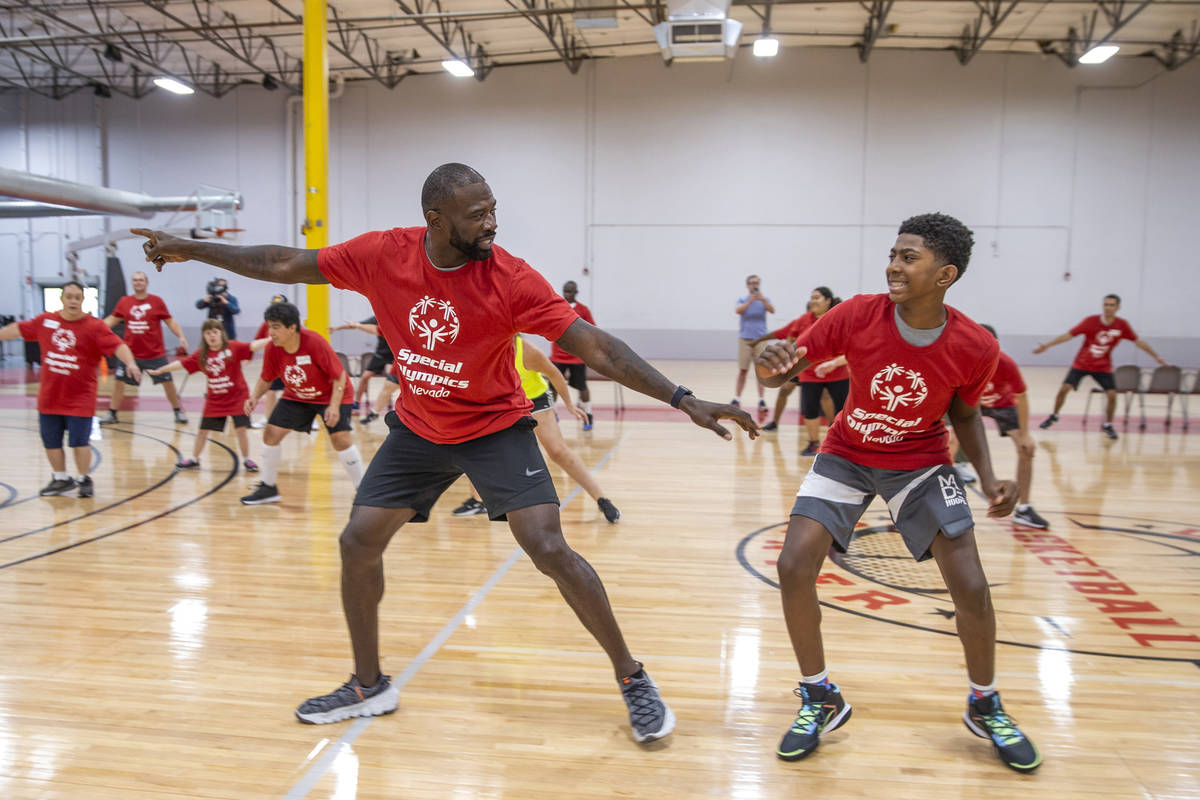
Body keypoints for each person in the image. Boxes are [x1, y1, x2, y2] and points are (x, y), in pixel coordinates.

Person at [132, 162, 755, 744]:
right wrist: (191, 248)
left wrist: (683, 397)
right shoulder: (383, 254)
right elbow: (281, 260)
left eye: (493, 210)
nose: (491, 224)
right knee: (357, 541)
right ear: (437, 220)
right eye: (478, 214)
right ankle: (368, 685)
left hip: (494, 426)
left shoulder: (510, 278)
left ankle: (631, 676)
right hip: (421, 428)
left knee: (548, 548)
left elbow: (596, 347)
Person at [755, 213, 1040, 773]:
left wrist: (985, 478)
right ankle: (820, 696)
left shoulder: (974, 344)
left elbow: (965, 413)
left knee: (972, 586)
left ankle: (985, 703)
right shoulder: (858, 312)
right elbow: (786, 369)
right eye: (893, 253)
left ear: (946, 274)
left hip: (920, 461)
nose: (893, 265)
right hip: (847, 453)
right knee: (793, 564)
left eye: (909, 257)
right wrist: (770, 365)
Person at [452, 335, 621, 522]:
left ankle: (602, 499)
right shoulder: (481, 347)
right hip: (505, 402)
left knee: (557, 451)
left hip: (534, 399)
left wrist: (570, 405)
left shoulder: (526, 350)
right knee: (477, 444)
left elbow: (555, 374)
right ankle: (478, 501)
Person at [0, 281, 141, 498]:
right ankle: (60, 478)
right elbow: (19, 329)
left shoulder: (94, 326)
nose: (73, 301)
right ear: (62, 299)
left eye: (77, 297)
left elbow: (118, 345)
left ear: (83, 300)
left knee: (79, 442)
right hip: (49, 398)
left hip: (80, 399)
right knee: (51, 441)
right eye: (69, 296)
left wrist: (130, 363)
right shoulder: (45, 321)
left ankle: (84, 478)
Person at [239, 301, 363, 505]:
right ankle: (268, 488)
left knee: (340, 438)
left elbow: (339, 377)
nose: (271, 332)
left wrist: (333, 407)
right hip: (297, 396)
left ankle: (363, 491)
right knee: (271, 433)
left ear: (292, 327)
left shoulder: (314, 342)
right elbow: (266, 378)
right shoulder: (273, 348)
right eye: (269, 326)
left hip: (332, 393)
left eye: (276, 327)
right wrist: (254, 397)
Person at [947, 325, 1048, 530]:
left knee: (1027, 448)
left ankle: (1024, 509)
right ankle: (942, 502)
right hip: (968, 401)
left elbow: (1021, 396)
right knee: (948, 441)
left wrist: (1025, 434)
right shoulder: (961, 360)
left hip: (1001, 403)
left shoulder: (1005, 363)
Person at [1034, 294, 1168, 440]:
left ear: (1118, 308)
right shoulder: (1090, 321)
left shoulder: (1122, 325)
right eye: (1105, 304)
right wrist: (1047, 346)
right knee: (1064, 389)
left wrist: (1155, 356)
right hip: (1082, 363)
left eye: (1111, 305)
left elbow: (1138, 342)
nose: (1108, 308)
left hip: (1103, 367)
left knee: (1112, 395)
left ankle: (1108, 425)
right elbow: (1068, 335)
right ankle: (1054, 416)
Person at [147, 319, 270, 472]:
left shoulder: (233, 346)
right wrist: (162, 370)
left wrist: (272, 338)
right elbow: (182, 364)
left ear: (221, 334)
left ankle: (247, 460)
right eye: (208, 333)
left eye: (215, 332)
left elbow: (253, 345)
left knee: (240, 430)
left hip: (237, 397)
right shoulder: (202, 354)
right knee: (202, 431)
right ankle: (194, 459)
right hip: (215, 400)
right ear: (204, 336)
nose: (212, 336)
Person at [754, 288, 849, 455]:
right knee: (808, 407)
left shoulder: (839, 319)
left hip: (838, 373)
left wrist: (834, 363)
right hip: (810, 374)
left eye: (817, 297)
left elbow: (852, 348)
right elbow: (789, 339)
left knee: (841, 410)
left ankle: (839, 444)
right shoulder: (804, 320)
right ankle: (813, 443)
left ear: (828, 300)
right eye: (811, 297)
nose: (813, 300)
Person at [99, 270, 190, 426]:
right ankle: (112, 413)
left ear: (146, 283)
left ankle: (177, 411)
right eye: (135, 280)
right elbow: (111, 320)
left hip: (155, 353)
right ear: (132, 283)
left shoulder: (156, 301)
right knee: (119, 382)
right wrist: (93, 330)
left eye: (141, 280)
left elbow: (170, 322)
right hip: (130, 354)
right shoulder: (124, 302)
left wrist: (181, 336)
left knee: (167, 382)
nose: (138, 282)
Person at [550, 280, 597, 430]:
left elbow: (592, 330)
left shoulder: (583, 310)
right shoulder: (556, 306)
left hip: (576, 356)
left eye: (569, 291)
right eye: (565, 291)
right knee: (553, 387)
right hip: (558, 356)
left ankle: (588, 414)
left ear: (575, 293)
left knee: (582, 387)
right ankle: (552, 415)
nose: (566, 294)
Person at [331, 317, 392, 422]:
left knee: (395, 382)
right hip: (381, 354)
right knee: (365, 376)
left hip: (396, 354)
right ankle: (356, 402)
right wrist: (337, 328)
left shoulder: (398, 316)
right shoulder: (377, 317)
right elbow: (356, 325)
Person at [735, 274, 774, 421]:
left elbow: (772, 310)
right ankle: (737, 398)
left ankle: (761, 400)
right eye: (751, 283)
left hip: (761, 340)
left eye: (756, 283)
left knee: (761, 371)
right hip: (745, 340)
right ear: (747, 285)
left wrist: (762, 299)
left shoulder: (765, 300)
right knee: (743, 371)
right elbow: (738, 311)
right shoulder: (743, 300)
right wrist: (750, 301)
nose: (754, 285)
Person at [251, 293, 288, 427]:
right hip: (274, 364)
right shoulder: (265, 325)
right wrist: (249, 356)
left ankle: (311, 420)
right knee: (270, 391)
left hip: (290, 363)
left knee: (300, 391)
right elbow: (256, 341)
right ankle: (268, 418)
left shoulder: (291, 325)